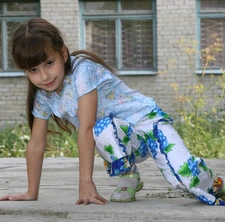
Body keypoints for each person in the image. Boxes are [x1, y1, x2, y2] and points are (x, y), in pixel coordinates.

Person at [0, 18, 224, 206]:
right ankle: (129, 177)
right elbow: (37, 143)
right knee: (103, 127)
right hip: (122, 135)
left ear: (63, 53)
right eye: (33, 70)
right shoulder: (44, 95)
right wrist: (31, 192)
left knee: (186, 181)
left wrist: (85, 184)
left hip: (148, 122)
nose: (44, 76)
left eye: (49, 63)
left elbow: (85, 128)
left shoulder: (83, 72)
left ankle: (216, 183)